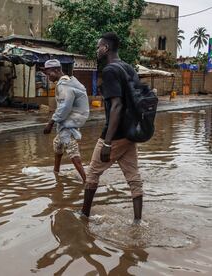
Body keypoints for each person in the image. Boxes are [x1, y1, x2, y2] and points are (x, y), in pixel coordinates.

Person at [81, 32, 143, 224]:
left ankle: (83, 216)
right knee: (133, 177)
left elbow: (116, 106)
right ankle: (138, 222)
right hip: (131, 133)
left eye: (99, 46)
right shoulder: (129, 68)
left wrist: (107, 142)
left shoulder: (109, 71)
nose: (97, 50)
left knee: (92, 174)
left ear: (106, 48)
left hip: (115, 134)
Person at [43, 59, 89, 182]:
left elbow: (64, 107)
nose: (48, 77)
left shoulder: (64, 85)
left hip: (70, 121)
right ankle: (56, 172)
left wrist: (50, 123)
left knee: (71, 148)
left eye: (49, 74)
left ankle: (87, 181)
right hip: (72, 119)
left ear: (57, 70)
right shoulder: (69, 81)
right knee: (58, 144)